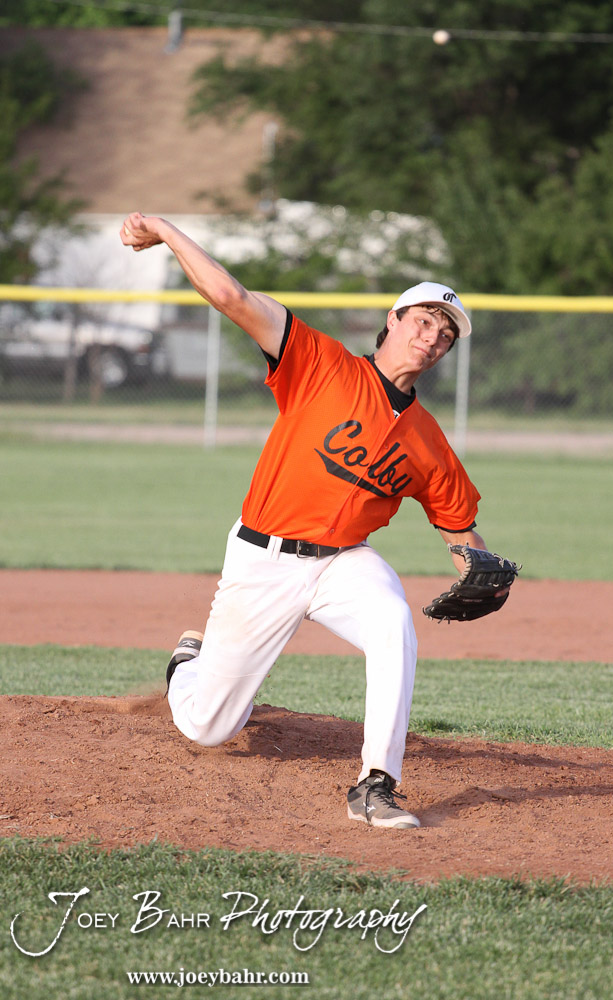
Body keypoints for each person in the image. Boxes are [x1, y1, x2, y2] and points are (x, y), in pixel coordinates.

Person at [121, 211, 488, 830]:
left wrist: (478, 565)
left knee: (394, 620)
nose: (431, 337)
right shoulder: (320, 363)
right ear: (393, 321)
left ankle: (377, 784)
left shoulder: (429, 444)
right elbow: (231, 296)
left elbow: (458, 526)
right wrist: (163, 229)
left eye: (445, 334)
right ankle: (190, 662)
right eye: (423, 321)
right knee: (208, 725)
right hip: (263, 559)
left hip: (343, 561)